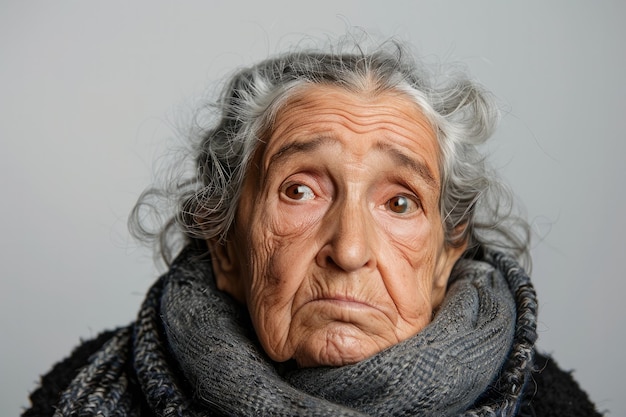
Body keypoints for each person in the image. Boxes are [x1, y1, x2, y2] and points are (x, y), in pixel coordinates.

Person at [23, 37, 602, 416]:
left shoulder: (555, 406)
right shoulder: (82, 394)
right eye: (299, 191)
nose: (349, 251)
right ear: (225, 246)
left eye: (399, 203)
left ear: (445, 256)